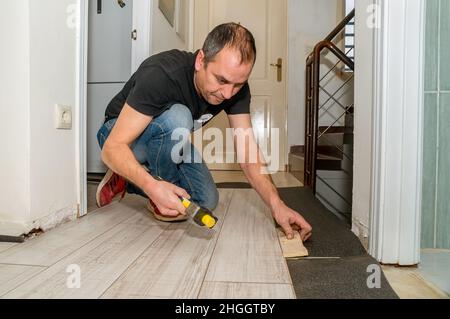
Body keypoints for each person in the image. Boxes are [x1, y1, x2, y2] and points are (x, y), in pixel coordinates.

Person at [96, 22, 312, 241]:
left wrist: (277, 205)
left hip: (168, 138)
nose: (228, 94)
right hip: (118, 136)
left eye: (238, 84)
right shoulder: (162, 74)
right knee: (179, 117)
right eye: (221, 80)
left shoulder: (235, 90)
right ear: (201, 60)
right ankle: (144, 181)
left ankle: (126, 178)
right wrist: (152, 187)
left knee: (206, 200)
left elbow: (248, 154)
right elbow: (112, 148)